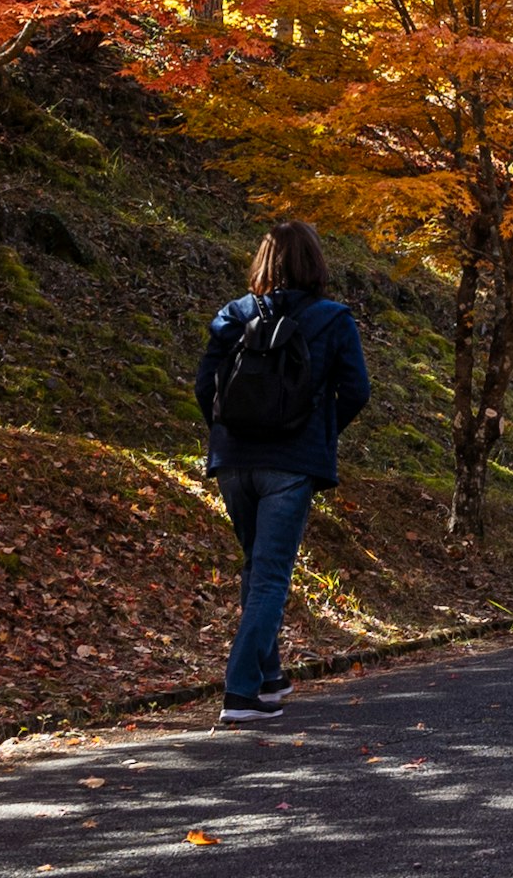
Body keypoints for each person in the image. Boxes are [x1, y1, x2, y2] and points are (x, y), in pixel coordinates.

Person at [194, 220, 372, 727]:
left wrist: (229, 432)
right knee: (271, 576)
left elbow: (205, 386)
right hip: (290, 466)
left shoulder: (233, 315)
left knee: (256, 568)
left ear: (264, 262)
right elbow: (356, 390)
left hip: (234, 462)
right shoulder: (333, 319)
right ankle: (240, 692)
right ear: (315, 263)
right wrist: (318, 431)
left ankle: (269, 679)